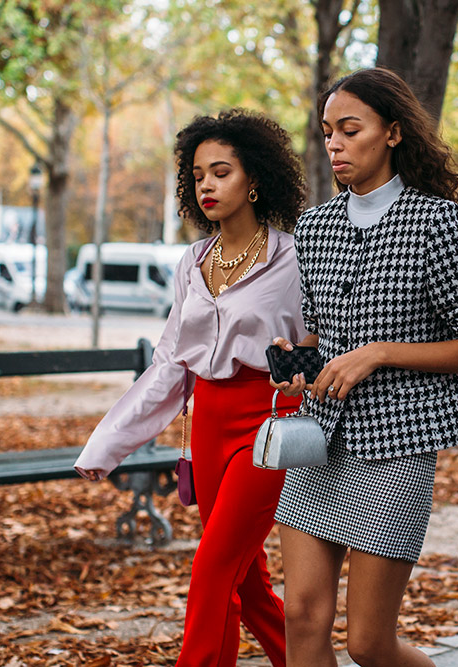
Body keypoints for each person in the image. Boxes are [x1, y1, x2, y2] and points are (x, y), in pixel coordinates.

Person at [272, 67, 458, 667]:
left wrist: (378, 353)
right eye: (328, 132)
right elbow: (321, 336)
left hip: (396, 451)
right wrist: (296, 360)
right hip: (317, 443)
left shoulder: (435, 222)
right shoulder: (314, 226)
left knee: (369, 644)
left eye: (350, 130)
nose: (335, 145)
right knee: (300, 616)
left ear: (393, 133)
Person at [74, 109, 308, 666]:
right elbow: (170, 365)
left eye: (221, 172)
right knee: (245, 583)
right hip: (207, 425)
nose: (207, 184)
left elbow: (322, 345)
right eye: (199, 174)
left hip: (269, 423)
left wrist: (302, 362)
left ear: (254, 180)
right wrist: (109, 443)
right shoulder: (192, 261)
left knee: (212, 569)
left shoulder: (295, 257)